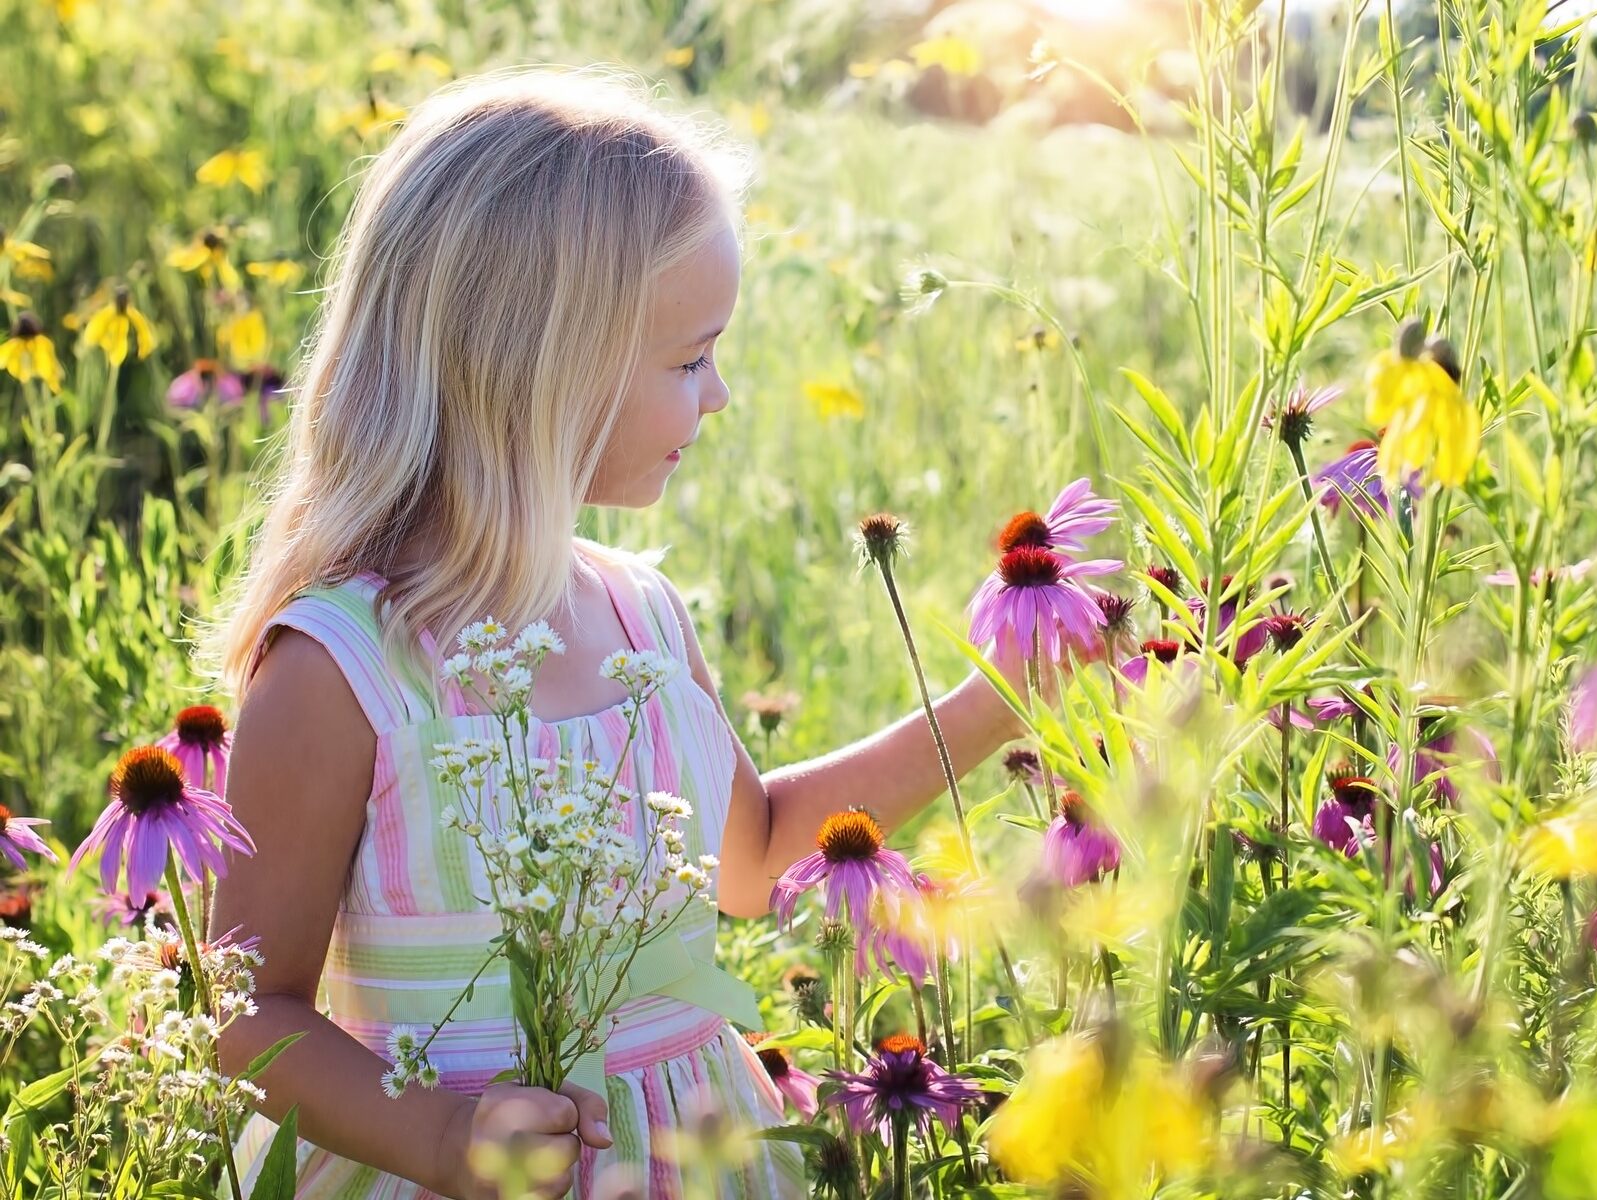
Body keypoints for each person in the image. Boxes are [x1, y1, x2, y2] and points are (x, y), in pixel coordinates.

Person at [201, 65, 1027, 1200]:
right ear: (541, 373)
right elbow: (250, 1021)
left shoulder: (642, 616)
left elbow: (755, 857)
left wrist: (1001, 698)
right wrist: (443, 1140)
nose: (721, 395)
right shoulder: (343, 670)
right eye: (691, 360)